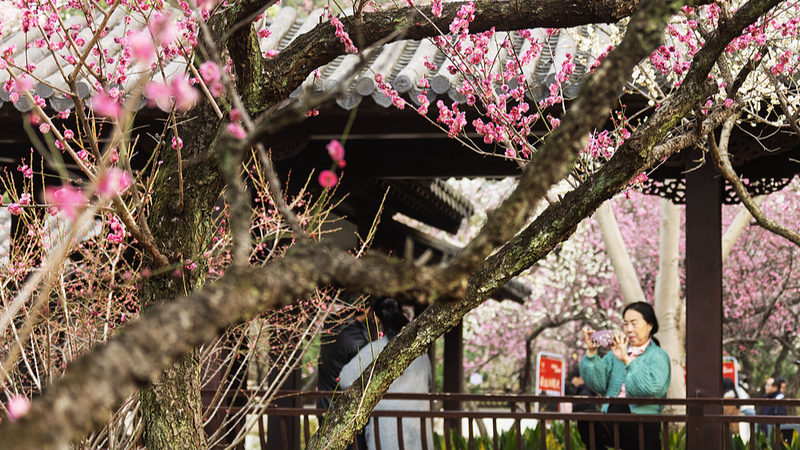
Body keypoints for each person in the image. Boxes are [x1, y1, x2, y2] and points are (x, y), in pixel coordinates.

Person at [339, 296, 434, 450]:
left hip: (386, 429)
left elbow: (344, 378)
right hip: (420, 428)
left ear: (377, 320)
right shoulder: (421, 351)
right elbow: (429, 381)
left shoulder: (377, 349)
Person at [578, 302, 671, 450]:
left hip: (642, 422)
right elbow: (598, 384)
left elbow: (648, 389)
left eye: (634, 324)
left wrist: (627, 361)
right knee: (586, 419)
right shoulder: (616, 353)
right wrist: (591, 353)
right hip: (612, 416)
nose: (628, 329)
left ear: (650, 326)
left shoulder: (658, 356)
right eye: (626, 324)